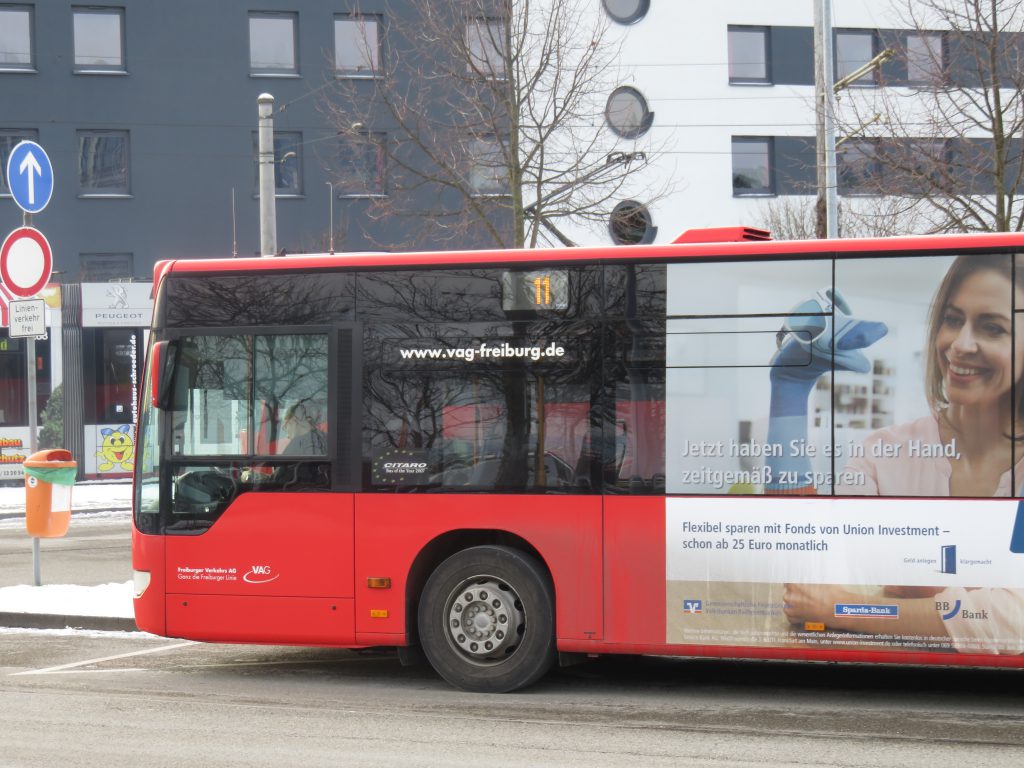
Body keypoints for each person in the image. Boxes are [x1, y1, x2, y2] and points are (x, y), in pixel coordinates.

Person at [768, 254, 1024, 654]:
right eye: (953, 320)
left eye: (992, 328)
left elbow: (1014, 622)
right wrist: (789, 392)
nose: (960, 345)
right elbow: (807, 578)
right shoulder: (882, 453)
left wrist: (845, 607)